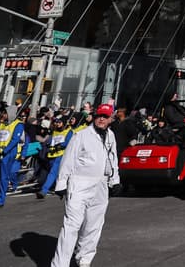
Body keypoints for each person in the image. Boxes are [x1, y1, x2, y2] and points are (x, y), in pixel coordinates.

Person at [49, 103, 120, 267]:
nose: (102, 119)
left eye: (105, 117)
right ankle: (60, 264)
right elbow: (68, 159)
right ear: (94, 117)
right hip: (80, 184)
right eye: (99, 116)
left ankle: (84, 259)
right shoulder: (81, 135)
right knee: (71, 226)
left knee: (93, 225)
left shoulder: (111, 136)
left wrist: (115, 180)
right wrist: (61, 183)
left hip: (101, 185)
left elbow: (113, 159)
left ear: (111, 119)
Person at [38, 116, 72, 197]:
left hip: (61, 155)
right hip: (51, 154)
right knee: (55, 173)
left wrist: (60, 146)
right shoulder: (54, 131)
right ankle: (60, 187)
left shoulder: (69, 131)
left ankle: (43, 191)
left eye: (59, 122)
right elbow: (50, 140)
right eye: (56, 122)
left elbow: (69, 142)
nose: (57, 124)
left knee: (52, 173)